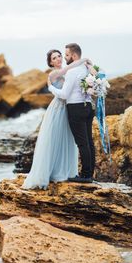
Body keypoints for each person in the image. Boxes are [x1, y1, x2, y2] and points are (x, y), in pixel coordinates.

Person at [21, 49, 89, 190]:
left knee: (68, 139)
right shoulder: (53, 74)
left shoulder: (68, 71)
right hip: (58, 109)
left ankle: (65, 171)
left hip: (69, 109)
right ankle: (50, 172)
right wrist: (81, 61)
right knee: (54, 139)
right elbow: (65, 75)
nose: (58, 59)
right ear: (50, 62)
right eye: (54, 58)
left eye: (59, 56)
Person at [48, 43, 96, 183]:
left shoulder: (72, 71)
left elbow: (64, 94)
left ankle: (86, 175)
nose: (64, 58)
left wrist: (51, 88)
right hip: (88, 107)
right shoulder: (86, 69)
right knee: (89, 142)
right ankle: (89, 173)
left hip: (76, 108)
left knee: (82, 143)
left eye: (66, 55)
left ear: (74, 56)